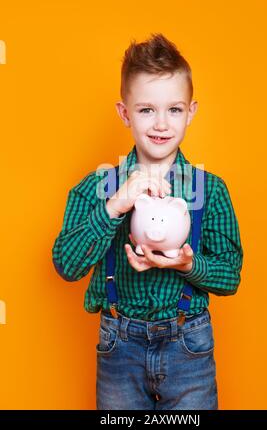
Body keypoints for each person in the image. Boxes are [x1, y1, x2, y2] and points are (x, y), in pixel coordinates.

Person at [52, 33, 243, 410]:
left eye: (173, 109)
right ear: (125, 113)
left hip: (189, 343)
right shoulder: (99, 187)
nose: (160, 123)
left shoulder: (210, 189)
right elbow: (66, 265)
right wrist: (116, 205)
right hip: (118, 344)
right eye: (145, 110)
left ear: (191, 111)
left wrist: (189, 264)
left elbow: (231, 276)